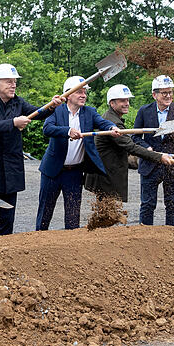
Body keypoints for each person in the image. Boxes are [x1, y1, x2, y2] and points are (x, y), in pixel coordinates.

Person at [0, 63, 62, 238]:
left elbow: (38, 112)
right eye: (9, 82)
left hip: (11, 169)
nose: (13, 85)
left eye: (14, 82)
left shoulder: (18, 102)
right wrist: (13, 123)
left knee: (7, 218)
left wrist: (52, 106)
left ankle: (5, 248)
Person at [36, 76, 120, 230]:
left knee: (73, 216)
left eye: (85, 92)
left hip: (74, 172)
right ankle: (39, 239)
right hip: (52, 170)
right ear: (68, 95)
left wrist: (111, 127)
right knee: (45, 212)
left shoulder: (89, 112)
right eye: (79, 92)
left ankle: (72, 242)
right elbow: (47, 129)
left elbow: (102, 123)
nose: (83, 95)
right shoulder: (56, 110)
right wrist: (67, 131)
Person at [86, 85, 173, 202]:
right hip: (105, 175)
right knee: (107, 210)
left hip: (106, 173)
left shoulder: (113, 118)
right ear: (112, 103)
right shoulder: (112, 122)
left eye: (127, 100)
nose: (127, 103)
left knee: (108, 210)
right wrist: (159, 157)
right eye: (122, 101)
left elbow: (128, 143)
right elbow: (130, 147)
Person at [132, 75, 174, 226]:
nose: (168, 96)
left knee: (173, 204)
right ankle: (145, 233)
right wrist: (147, 149)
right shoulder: (144, 111)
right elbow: (135, 137)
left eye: (170, 92)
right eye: (164, 93)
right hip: (150, 164)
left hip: (173, 164)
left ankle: (172, 235)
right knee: (147, 204)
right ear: (154, 94)